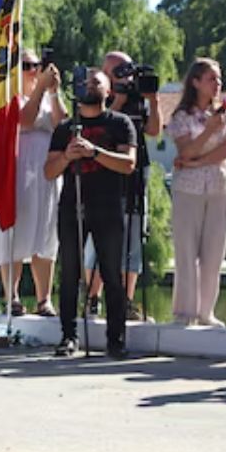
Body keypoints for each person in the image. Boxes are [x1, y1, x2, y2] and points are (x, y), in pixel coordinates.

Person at [44, 69, 137, 358]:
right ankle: (69, 336)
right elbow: (49, 171)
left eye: (96, 82)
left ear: (109, 91)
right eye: (85, 82)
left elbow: (128, 164)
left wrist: (94, 152)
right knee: (70, 272)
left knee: (111, 273)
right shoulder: (66, 128)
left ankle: (115, 339)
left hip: (108, 205)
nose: (89, 85)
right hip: (73, 205)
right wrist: (67, 156)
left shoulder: (120, 123)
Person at [0, 49, 64, 317]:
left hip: (45, 173)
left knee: (46, 235)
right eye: (27, 65)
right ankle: (11, 296)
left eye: (37, 65)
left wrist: (53, 92)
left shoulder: (46, 96)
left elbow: (61, 122)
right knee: (14, 233)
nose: (34, 70)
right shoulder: (7, 96)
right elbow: (25, 119)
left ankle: (44, 298)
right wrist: (38, 91)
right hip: (17, 171)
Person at [83, 51, 161, 320]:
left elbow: (153, 130)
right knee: (100, 238)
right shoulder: (97, 96)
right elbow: (100, 125)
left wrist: (151, 99)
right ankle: (92, 298)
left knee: (133, 237)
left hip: (137, 170)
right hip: (106, 170)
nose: (123, 76)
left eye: (125, 70)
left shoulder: (138, 96)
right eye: (116, 71)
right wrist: (118, 100)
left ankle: (125, 302)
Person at [168, 58, 226, 327]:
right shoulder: (181, 116)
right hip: (188, 189)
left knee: (213, 252)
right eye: (211, 78)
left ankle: (206, 311)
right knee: (186, 250)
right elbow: (185, 151)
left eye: (219, 78)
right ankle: (185, 311)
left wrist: (198, 161)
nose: (217, 84)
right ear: (196, 82)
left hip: (220, 186)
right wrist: (208, 131)